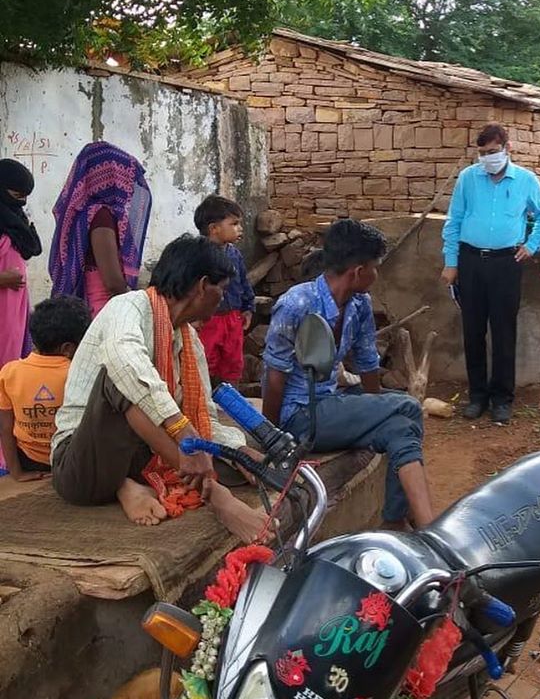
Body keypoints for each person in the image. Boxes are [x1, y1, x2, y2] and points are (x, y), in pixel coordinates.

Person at [51, 234, 264, 541]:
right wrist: (186, 439)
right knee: (121, 375)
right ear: (204, 286)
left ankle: (128, 484)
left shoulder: (189, 340)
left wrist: (239, 451)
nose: (223, 300)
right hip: (82, 465)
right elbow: (126, 367)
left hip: (140, 453)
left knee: (237, 467)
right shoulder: (127, 307)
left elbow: (203, 415)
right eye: (223, 290)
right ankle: (217, 499)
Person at [262, 218, 434, 529]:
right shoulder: (296, 304)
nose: (376, 274)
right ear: (358, 271)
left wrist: (373, 411)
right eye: (375, 266)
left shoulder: (359, 303)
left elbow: (367, 360)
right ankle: (413, 524)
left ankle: (400, 522)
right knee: (408, 406)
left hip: (332, 404)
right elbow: (275, 376)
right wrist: (273, 438)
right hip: (301, 415)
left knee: (399, 427)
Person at [440, 123, 540, 423]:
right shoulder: (468, 178)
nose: (487, 158)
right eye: (482, 153)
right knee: (472, 331)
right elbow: (454, 221)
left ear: (507, 148)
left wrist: (532, 245)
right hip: (470, 261)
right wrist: (451, 262)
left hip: (507, 263)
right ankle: (477, 396)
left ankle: (502, 399)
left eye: (492, 152)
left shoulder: (526, 180)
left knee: (504, 332)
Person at [49, 142, 152, 318]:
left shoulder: (86, 212)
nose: (131, 191)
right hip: (103, 309)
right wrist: (140, 305)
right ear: (113, 179)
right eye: (127, 181)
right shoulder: (101, 215)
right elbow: (112, 282)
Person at [0, 297, 91, 481]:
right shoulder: (79, 374)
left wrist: (16, 472)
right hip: (69, 459)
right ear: (67, 348)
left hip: (28, 460)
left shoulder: (9, 372)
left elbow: (5, 427)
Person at [0, 158, 43, 474]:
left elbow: (30, 248)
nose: (23, 202)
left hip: (14, 310)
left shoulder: (15, 218)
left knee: (11, 371)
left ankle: (10, 447)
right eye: (17, 194)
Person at [194, 195, 255, 387]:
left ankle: (232, 405)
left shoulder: (234, 254)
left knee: (233, 365)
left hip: (233, 319)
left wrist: (248, 307)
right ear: (214, 229)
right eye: (234, 224)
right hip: (208, 322)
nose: (240, 228)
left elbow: (244, 283)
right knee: (205, 363)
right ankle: (205, 404)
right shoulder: (198, 256)